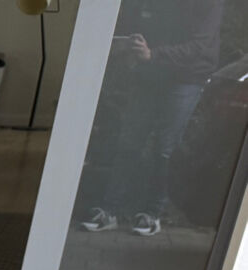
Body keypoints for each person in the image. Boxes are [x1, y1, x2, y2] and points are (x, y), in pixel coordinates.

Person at [80, 0, 225, 238]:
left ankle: (152, 214)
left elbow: (199, 45)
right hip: (150, 72)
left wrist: (153, 54)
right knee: (129, 142)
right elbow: (142, 21)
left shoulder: (210, 3)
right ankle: (109, 210)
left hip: (186, 78)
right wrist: (131, 47)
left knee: (165, 149)